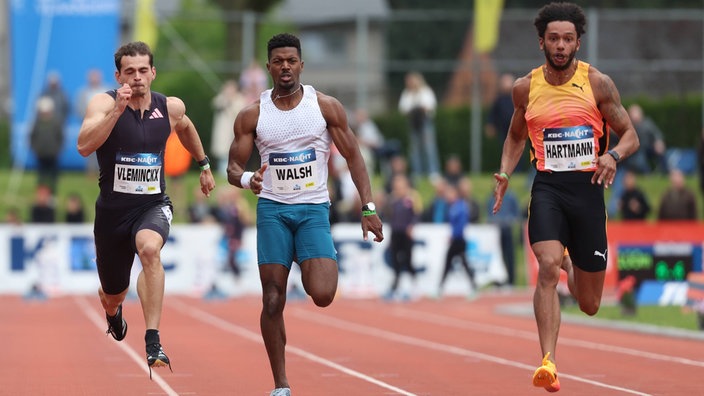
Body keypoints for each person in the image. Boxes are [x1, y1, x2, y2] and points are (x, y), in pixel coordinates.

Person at [491, 3, 639, 392]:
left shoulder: (598, 83)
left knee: (590, 304)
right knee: (547, 264)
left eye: (568, 39)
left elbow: (631, 136)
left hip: (588, 193)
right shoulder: (525, 87)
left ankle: (573, 267)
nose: (560, 45)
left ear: (577, 42)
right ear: (541, 41)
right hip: (549, 189)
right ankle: (548, 362)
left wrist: (612, 155)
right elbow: (516, 136)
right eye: (554, 38)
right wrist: (505, 172)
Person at [226, 33, 384, 396]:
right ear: (269, 67)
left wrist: (369, 206)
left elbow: (354, 156)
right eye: (278, 61)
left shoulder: (325, 107)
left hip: (313, 210)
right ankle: (281, 384)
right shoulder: (253, 114)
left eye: (291, 60)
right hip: (273, 211)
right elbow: (233, 168)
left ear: (301, 64)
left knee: (324, 293)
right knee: (272, 299)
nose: (285, 66)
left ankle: (305, 251)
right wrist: (250, 177)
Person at [76, 41, 216, 377]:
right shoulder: (104, 102)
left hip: (152, 204)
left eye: (143, 70)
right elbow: (83, 146)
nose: (137, 77)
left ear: (153, 72)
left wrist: (204, 164)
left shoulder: (169, 107)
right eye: (129, 72)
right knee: (113, 293)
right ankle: (113, 311)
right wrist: (116, 113)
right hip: (112, 214)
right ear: (118, 75)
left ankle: (153, 339)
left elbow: (185, 126)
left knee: (150, 249)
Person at [437, 182, 476, 299]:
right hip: (456, 239)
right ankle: (440, 288)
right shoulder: (453, 207)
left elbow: (461, 224)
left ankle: (440, 288)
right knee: (457, 263)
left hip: (459, 240)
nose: (447, 196)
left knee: (455, 263)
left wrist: (454, 235)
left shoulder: (460, 206)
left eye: (449, 193)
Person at [385, 173, 420, 301]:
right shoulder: (393, 200)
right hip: (395, 233)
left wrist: (412, 226)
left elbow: (416, 215)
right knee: (395, 262)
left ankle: (414, 286)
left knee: (408, 261)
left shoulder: (410, 199)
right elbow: (390, 216)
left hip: (406, 234)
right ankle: (396, 288)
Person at [398, 71, 440, 180]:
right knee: (415, 148)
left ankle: (433, 171)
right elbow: (403, 109)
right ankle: (417, 172)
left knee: (429, 147)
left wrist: (419, 108)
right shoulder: (407, 94)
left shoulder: (425, 92)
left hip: (425, 122)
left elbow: (430, 106)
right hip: (413, 123)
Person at [486, 186, 521, 288]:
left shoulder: (511, 196)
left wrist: (509, 220)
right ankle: (497, 281)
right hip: (495, 230)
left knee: (509, 255)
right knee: (497, 256)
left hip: (507, 228)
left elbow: (516, 214)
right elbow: (489, 213)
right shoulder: (491, 197)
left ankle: (510, 281)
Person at [211, 80, 248, 174]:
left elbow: (240, 112)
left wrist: (231, 102)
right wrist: (226, 99)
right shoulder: (222, 98)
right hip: (222, 130)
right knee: (222, 152)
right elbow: (216, 104)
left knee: (232, 151)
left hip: (233, 130)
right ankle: (222, 172)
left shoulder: (239, 99)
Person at [29, 96, 64, 193]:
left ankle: (52, 193)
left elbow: (60, 137)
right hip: (40, 153)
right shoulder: (37, 122)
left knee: (53, 175)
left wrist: (57, 149)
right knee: (41, 175)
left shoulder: (55, 122)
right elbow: (32, 137)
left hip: (53, 154)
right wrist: (35, 148)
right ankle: (41, 193)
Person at [624, 103, 667, 174]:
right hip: (636, 150)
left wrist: (658, 142)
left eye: (637, 113)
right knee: (640, 159)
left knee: (661, 151)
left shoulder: (647, 123)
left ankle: (665, 172)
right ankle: (647, 174)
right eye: (633, 113)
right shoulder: (629, 125)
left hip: (648, 147)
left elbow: (656, 134)